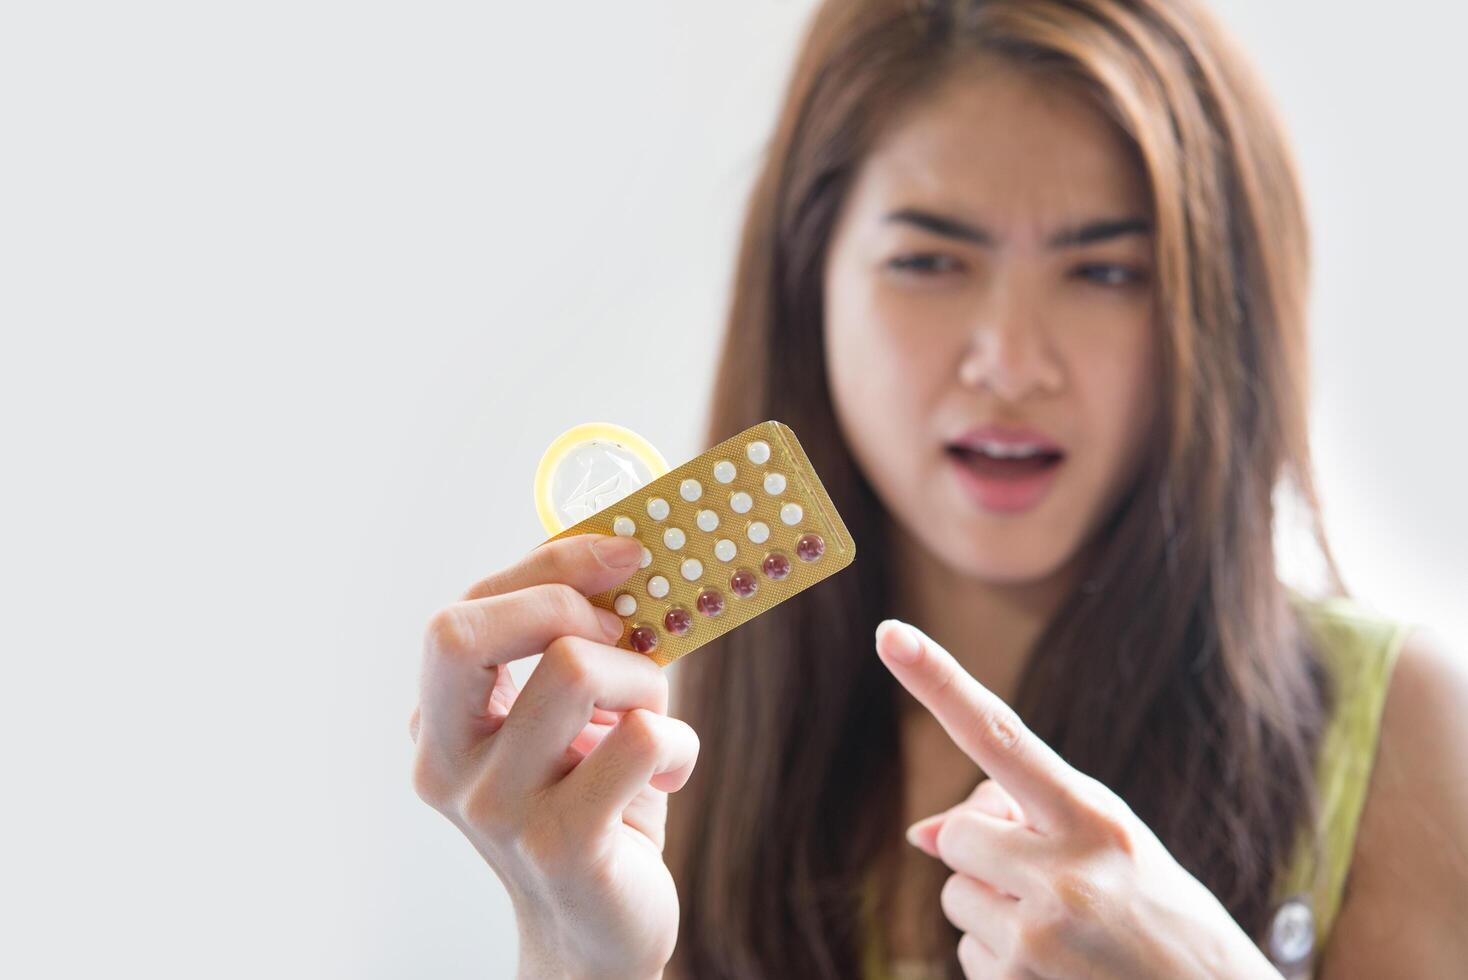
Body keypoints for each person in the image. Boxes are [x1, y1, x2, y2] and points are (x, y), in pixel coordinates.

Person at [408, 0, 1468, 976]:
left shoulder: (1403, 733)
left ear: (1212, 309)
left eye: (1104, 271)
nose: (1008, 361)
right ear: (807, 283)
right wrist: (577, 946)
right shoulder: (655, 743)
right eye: (928, 260)